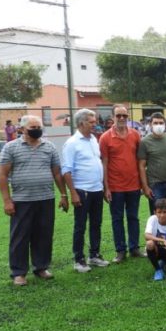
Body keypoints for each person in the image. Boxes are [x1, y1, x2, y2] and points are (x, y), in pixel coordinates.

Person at [0, 115, 69, 286]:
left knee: (44, 235)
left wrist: (63, 195)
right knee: (20, 237)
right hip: (22, 200)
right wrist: (7, 201)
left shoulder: (49, 147)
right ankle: (19, 272)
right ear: (21, 129)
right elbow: (2, 175)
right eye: (33, 127)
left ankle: (41, 267)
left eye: (39, 126)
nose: (37, 129)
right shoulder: (11, 148)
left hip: (46, 199)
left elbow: (57, 173)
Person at [62, 109, 110, 272]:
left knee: (96, 223)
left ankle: (94, 255)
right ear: (81, 123)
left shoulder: (93, 140)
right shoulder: (72, 143)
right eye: (91, 122)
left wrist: (103, 187)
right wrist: (73, 193)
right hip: (82, 190)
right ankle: (79, 259)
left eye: (95, 121)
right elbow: (66, 170)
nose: (95, 124)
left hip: (96, 189)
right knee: (80, 226)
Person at [99, 104, 145, 264]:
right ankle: (120, 251)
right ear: (113, 117)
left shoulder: (135, 135)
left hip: (133, 185)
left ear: (128, 117)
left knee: (133, 217)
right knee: (117, 219)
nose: (121, 118)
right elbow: (104, 163)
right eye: (118, 115)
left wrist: (141, 183)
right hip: (115, 186)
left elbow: (140, 161)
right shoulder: (105, 137)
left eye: (124, 116)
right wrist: (106, 187)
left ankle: (134, 248)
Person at [138, 112, 166, 215]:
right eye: (155, 123)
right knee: (157, 216)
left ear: (165, 124)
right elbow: (141, 166)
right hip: (155, 185)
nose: (158, 125)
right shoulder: (144, 142)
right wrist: (145, 187)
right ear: (150, 124)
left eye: (161, 123)